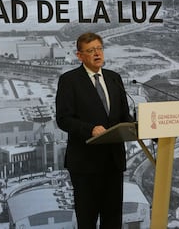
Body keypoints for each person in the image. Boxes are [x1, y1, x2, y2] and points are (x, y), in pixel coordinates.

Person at [55, 32, 132, 229]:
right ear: (79, 56)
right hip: (85, 164)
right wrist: (90, 129)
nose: (97, 54)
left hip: (113, 162)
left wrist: (142, 129)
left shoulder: (114, 78)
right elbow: (63, 119)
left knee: (113, 220)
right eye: (90, 51)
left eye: (99, 48)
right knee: (87, 221)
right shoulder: (69, 80)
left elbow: (124, 116)